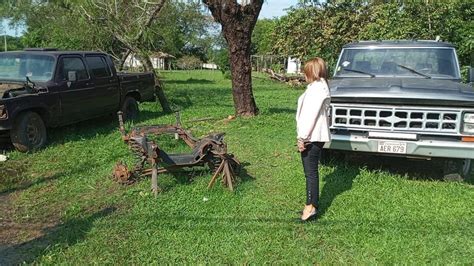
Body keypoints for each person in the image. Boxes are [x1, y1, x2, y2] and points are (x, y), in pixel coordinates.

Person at [296, 57, 331, 222]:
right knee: (311, 172)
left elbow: (309, 116)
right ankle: (311, 205)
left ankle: (310, 208)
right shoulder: (320, 87)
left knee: (310, 173)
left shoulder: (316, 90)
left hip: (311, 136)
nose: (304, 75)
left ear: (312, 71)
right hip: (315, 136)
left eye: (306, 71)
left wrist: (302, 138)